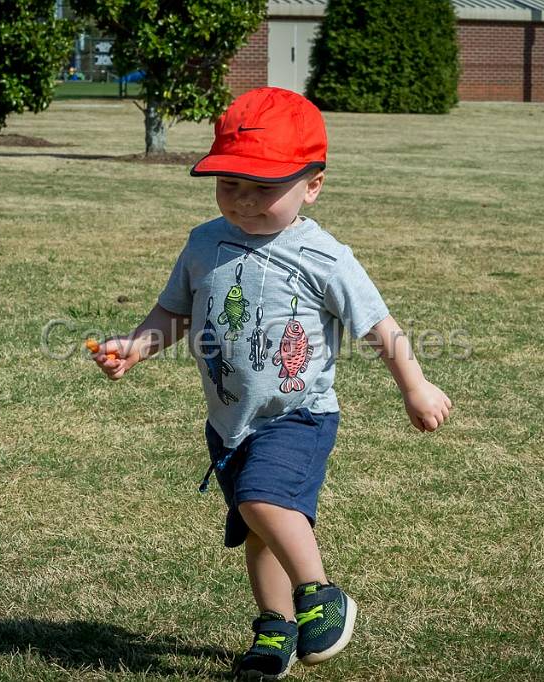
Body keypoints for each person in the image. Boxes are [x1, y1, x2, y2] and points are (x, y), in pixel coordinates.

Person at [90, 87, 451, 681]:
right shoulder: (205, 242)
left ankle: (321, 594)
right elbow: (173, 314)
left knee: (263, 501)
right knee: (261, 530)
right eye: (230, 184)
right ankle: (275, 631)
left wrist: (415, 385)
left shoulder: (324, 257)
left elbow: (379, 327)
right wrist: (135, 348)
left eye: (263, 188)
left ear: (313, 185)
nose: (243, 201)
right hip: (231, 420)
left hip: (298, 414)